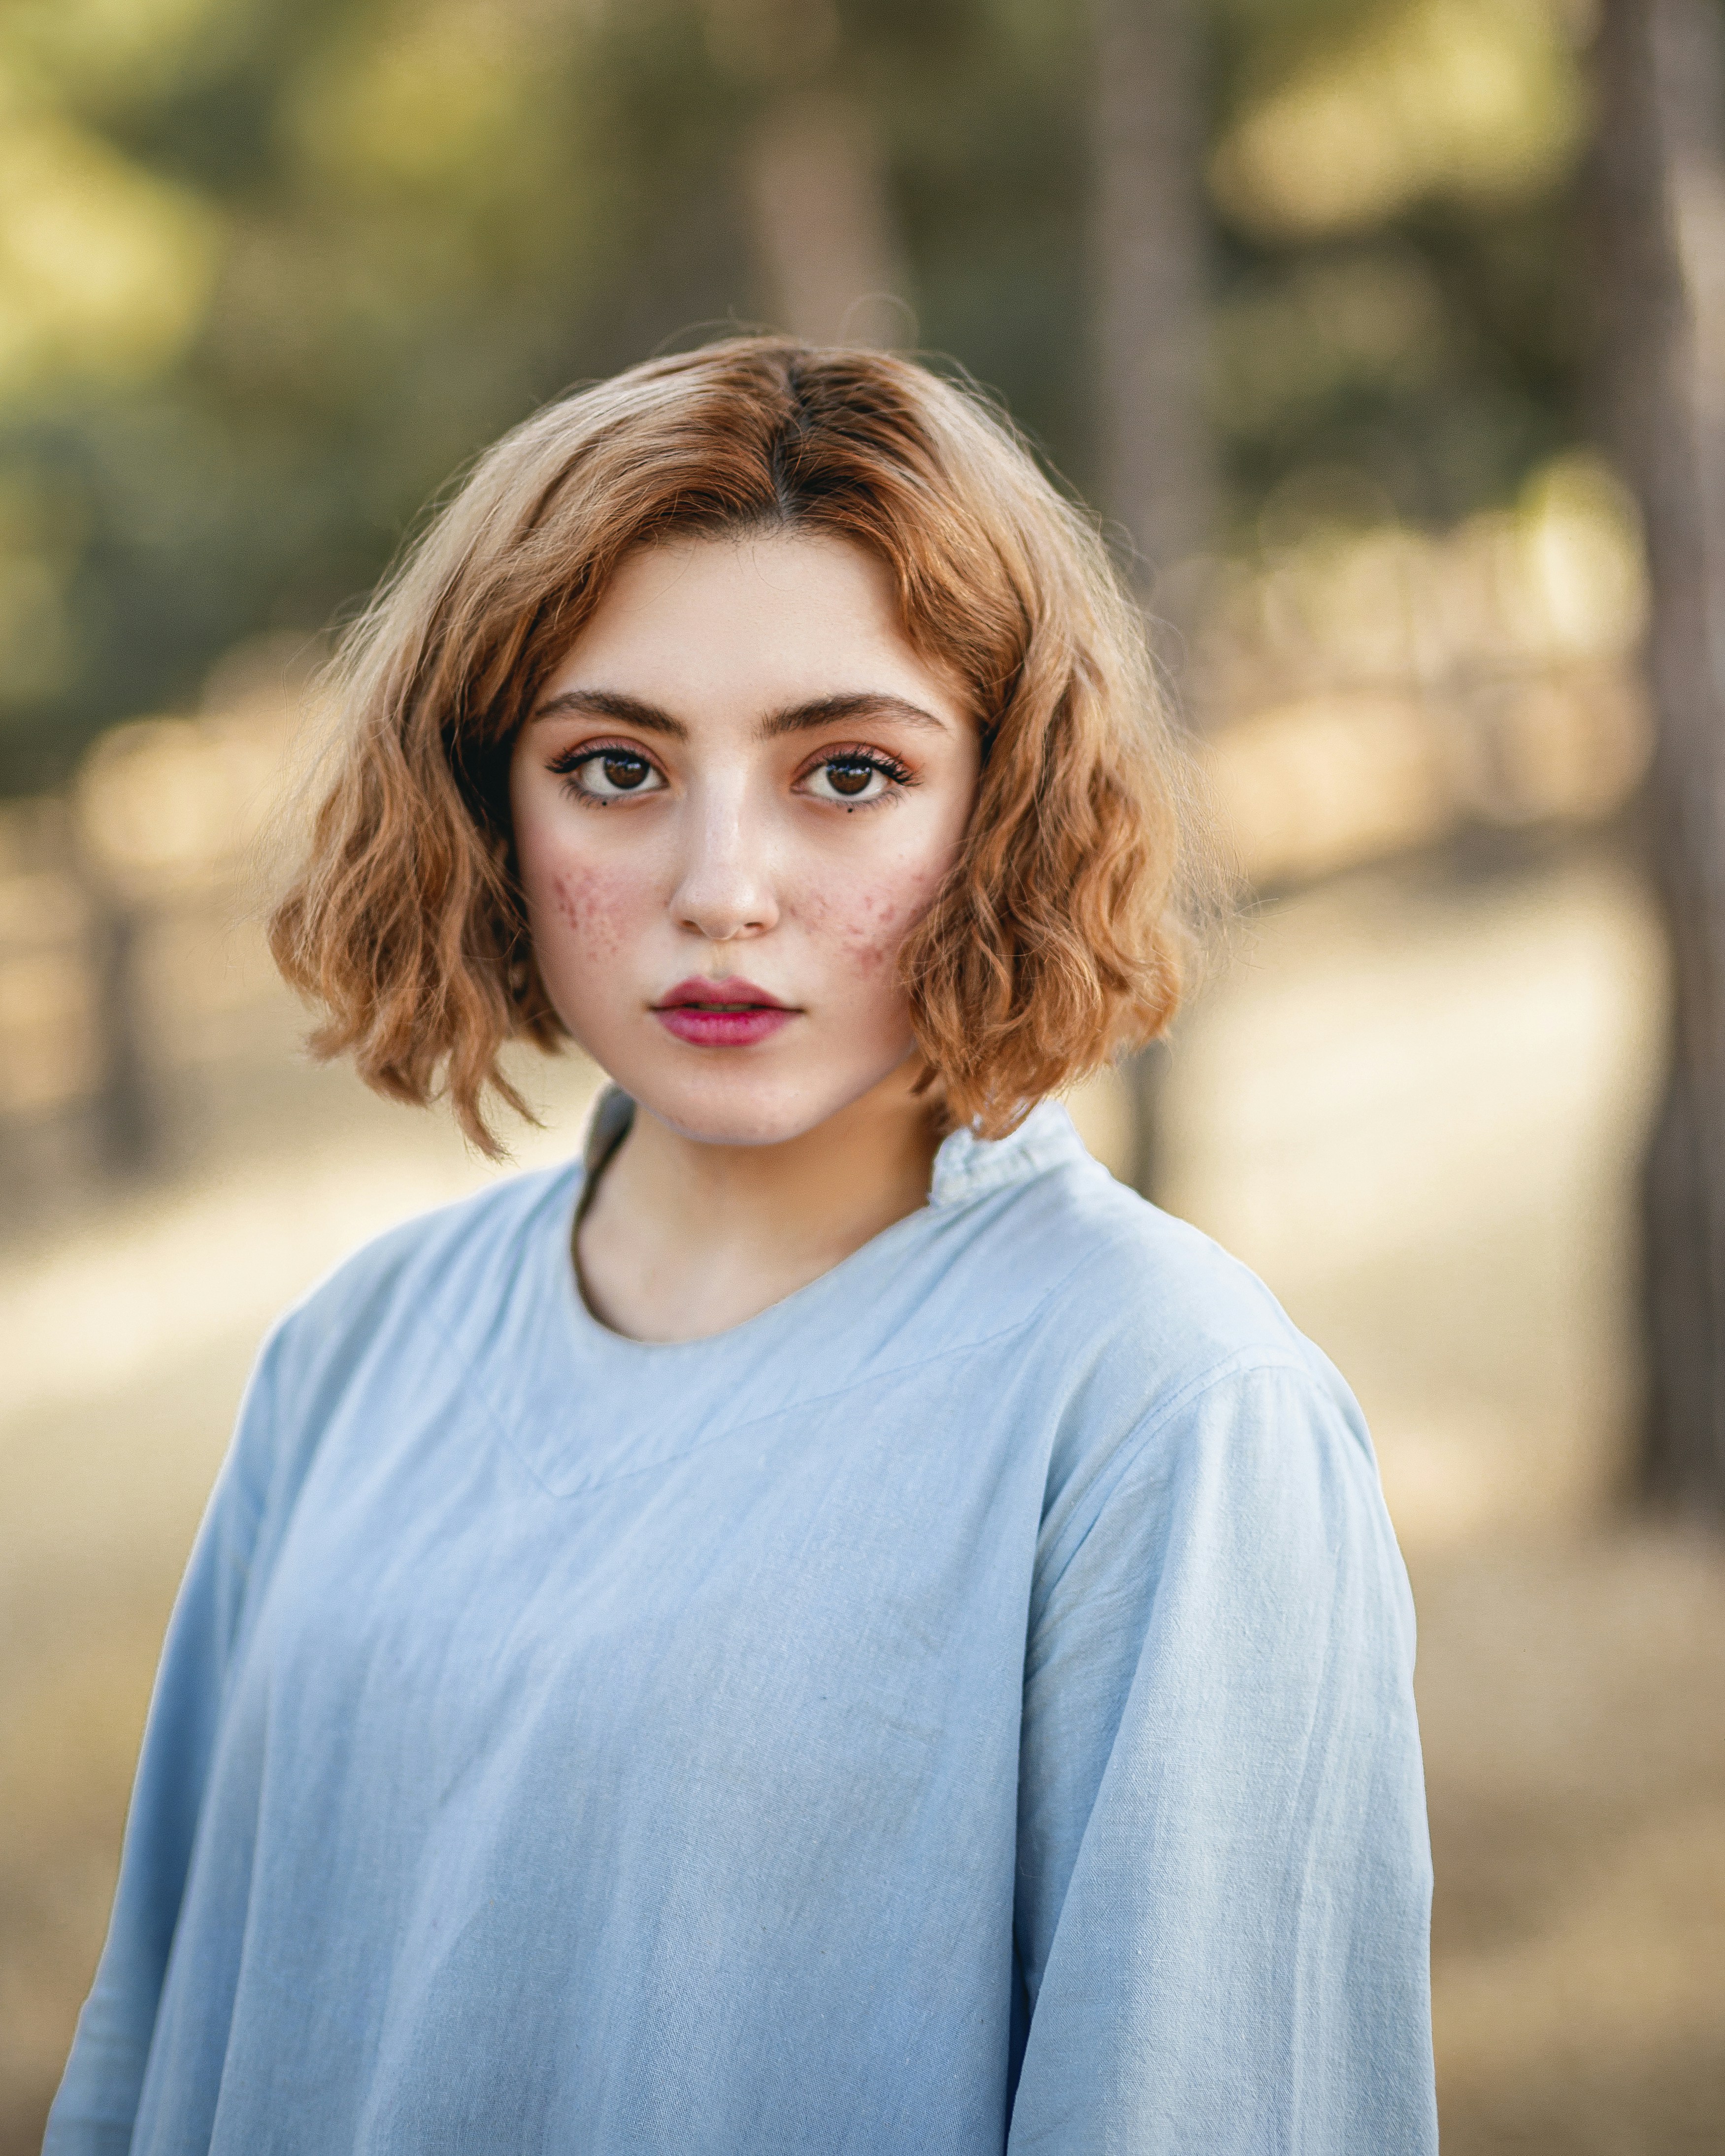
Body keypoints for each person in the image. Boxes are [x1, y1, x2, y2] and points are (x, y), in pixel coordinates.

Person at [46, 338, 1437, 2155]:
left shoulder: (1172, 1416)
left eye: (848, 773)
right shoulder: (352, 1351)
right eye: (614, 765)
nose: (722, 882)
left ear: (1002, 809)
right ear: (487, 801)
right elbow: (161, 2051)